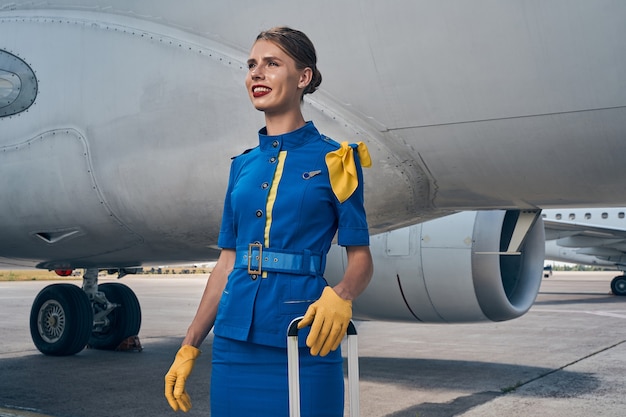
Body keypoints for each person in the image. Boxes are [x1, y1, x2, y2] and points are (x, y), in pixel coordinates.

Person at [164, 26, 373, 417]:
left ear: (303, 77)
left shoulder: (338, 160)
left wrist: (342, 294)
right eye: (251, 65)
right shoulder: (241, 166)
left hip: (304, 338)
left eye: (272, 64)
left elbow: (361, 258)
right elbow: (226, 264)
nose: (256, 74)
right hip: (232, 343)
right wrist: (190, 344)